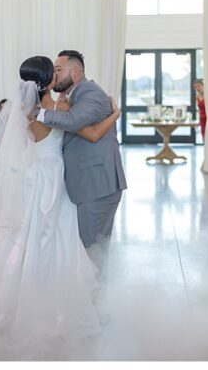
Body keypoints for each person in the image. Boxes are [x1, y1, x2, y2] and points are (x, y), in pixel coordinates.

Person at [0, 55, 121, 341]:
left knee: (30, 236)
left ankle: (19, 298)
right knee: (55, 239)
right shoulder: (58, 108)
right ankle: (53, 306)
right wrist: (115, 115)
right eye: (55, 71)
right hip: (52, 180)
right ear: (48, 81)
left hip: (33, 178)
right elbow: (92, 132)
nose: (58, 73)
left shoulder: (25, 111)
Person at [35, 50, 127, 262]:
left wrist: (39, 113)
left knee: (91, 251)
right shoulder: (72, 96)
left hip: (97, 184)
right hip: (84, 183)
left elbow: (75, 121)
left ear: (76, 72)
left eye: (58, 70)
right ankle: (88, 293)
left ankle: (94, 295)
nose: (54, 75)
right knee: (84, 249)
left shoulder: (90, 93)